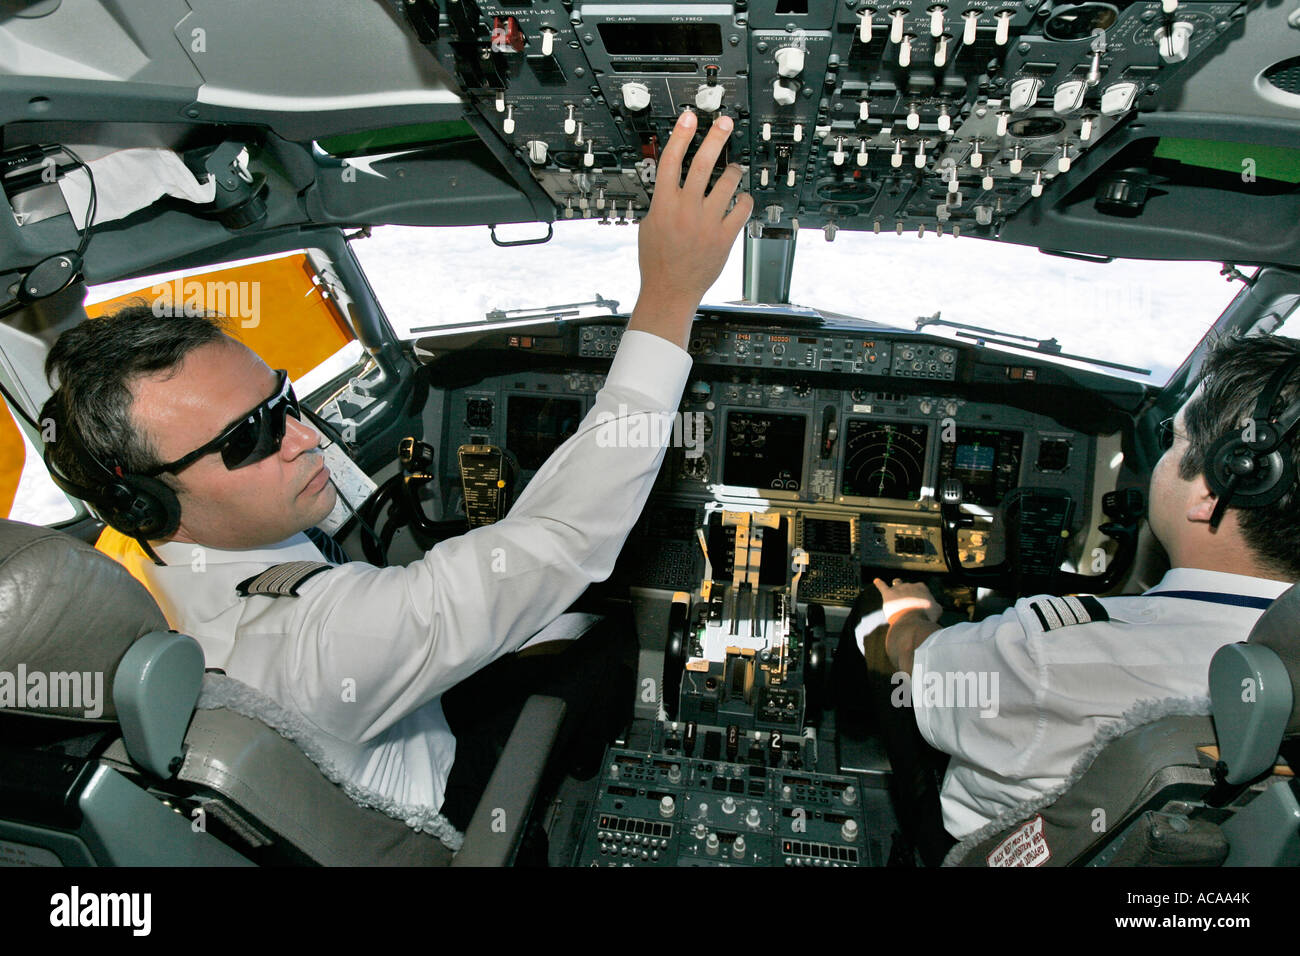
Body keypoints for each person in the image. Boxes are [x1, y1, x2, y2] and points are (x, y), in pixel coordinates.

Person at [41, 109, 753, 850]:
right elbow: (563, 540)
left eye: (282, 401)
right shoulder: (315, 639)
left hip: (366, 740)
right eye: (250, 437)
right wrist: (670, 295)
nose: (305, 436)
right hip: (439, 802)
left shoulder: (126, 579)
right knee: (604, 640)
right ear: (145, 500)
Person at [844, 333, 1300, 855]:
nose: (1163, 456)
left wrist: (910, 614)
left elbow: (922, 666)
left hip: (973, 847)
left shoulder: (1057, 653)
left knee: (876, 612)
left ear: (1212, 490)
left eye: (1172, 440)